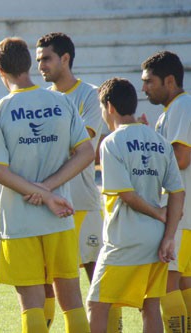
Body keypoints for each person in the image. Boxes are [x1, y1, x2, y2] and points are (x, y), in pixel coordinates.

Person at [0, 37, 94, 333]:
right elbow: (87, 153)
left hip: (18, 222)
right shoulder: (62, 101)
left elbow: (0, 172)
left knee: (32, 303)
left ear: (1, 70)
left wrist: (41, 193)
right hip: (60, 218)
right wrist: (50, 191)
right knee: (72, 301)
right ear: (28, 64)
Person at [35, 32, 122, 331]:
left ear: (66, 58)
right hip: (49, 207)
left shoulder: (90, 95)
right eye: (37, 60)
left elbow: (81, 145)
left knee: (99, 283)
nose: (40, 66)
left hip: (82, 203)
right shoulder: (42, 98)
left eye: (46, 58)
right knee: (47, 284)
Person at [87, 77, 185, 333]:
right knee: (150, 306)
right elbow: (177, 192)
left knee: (96, 305)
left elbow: (126, 195)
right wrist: (169, 236)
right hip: (156, 239)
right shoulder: (159, 142)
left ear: (109, 106)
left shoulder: (112, 142)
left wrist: (157, 213)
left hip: (124, 239)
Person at [141, 51, 191, 332]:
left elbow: (181, 157)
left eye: (149, 82)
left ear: (169, 80)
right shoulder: (172, 111)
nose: (144, 88)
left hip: (179, 215)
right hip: (184, 215)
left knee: (167, 287)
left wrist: (147, 150)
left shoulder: (183, 106)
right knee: (184, 285)